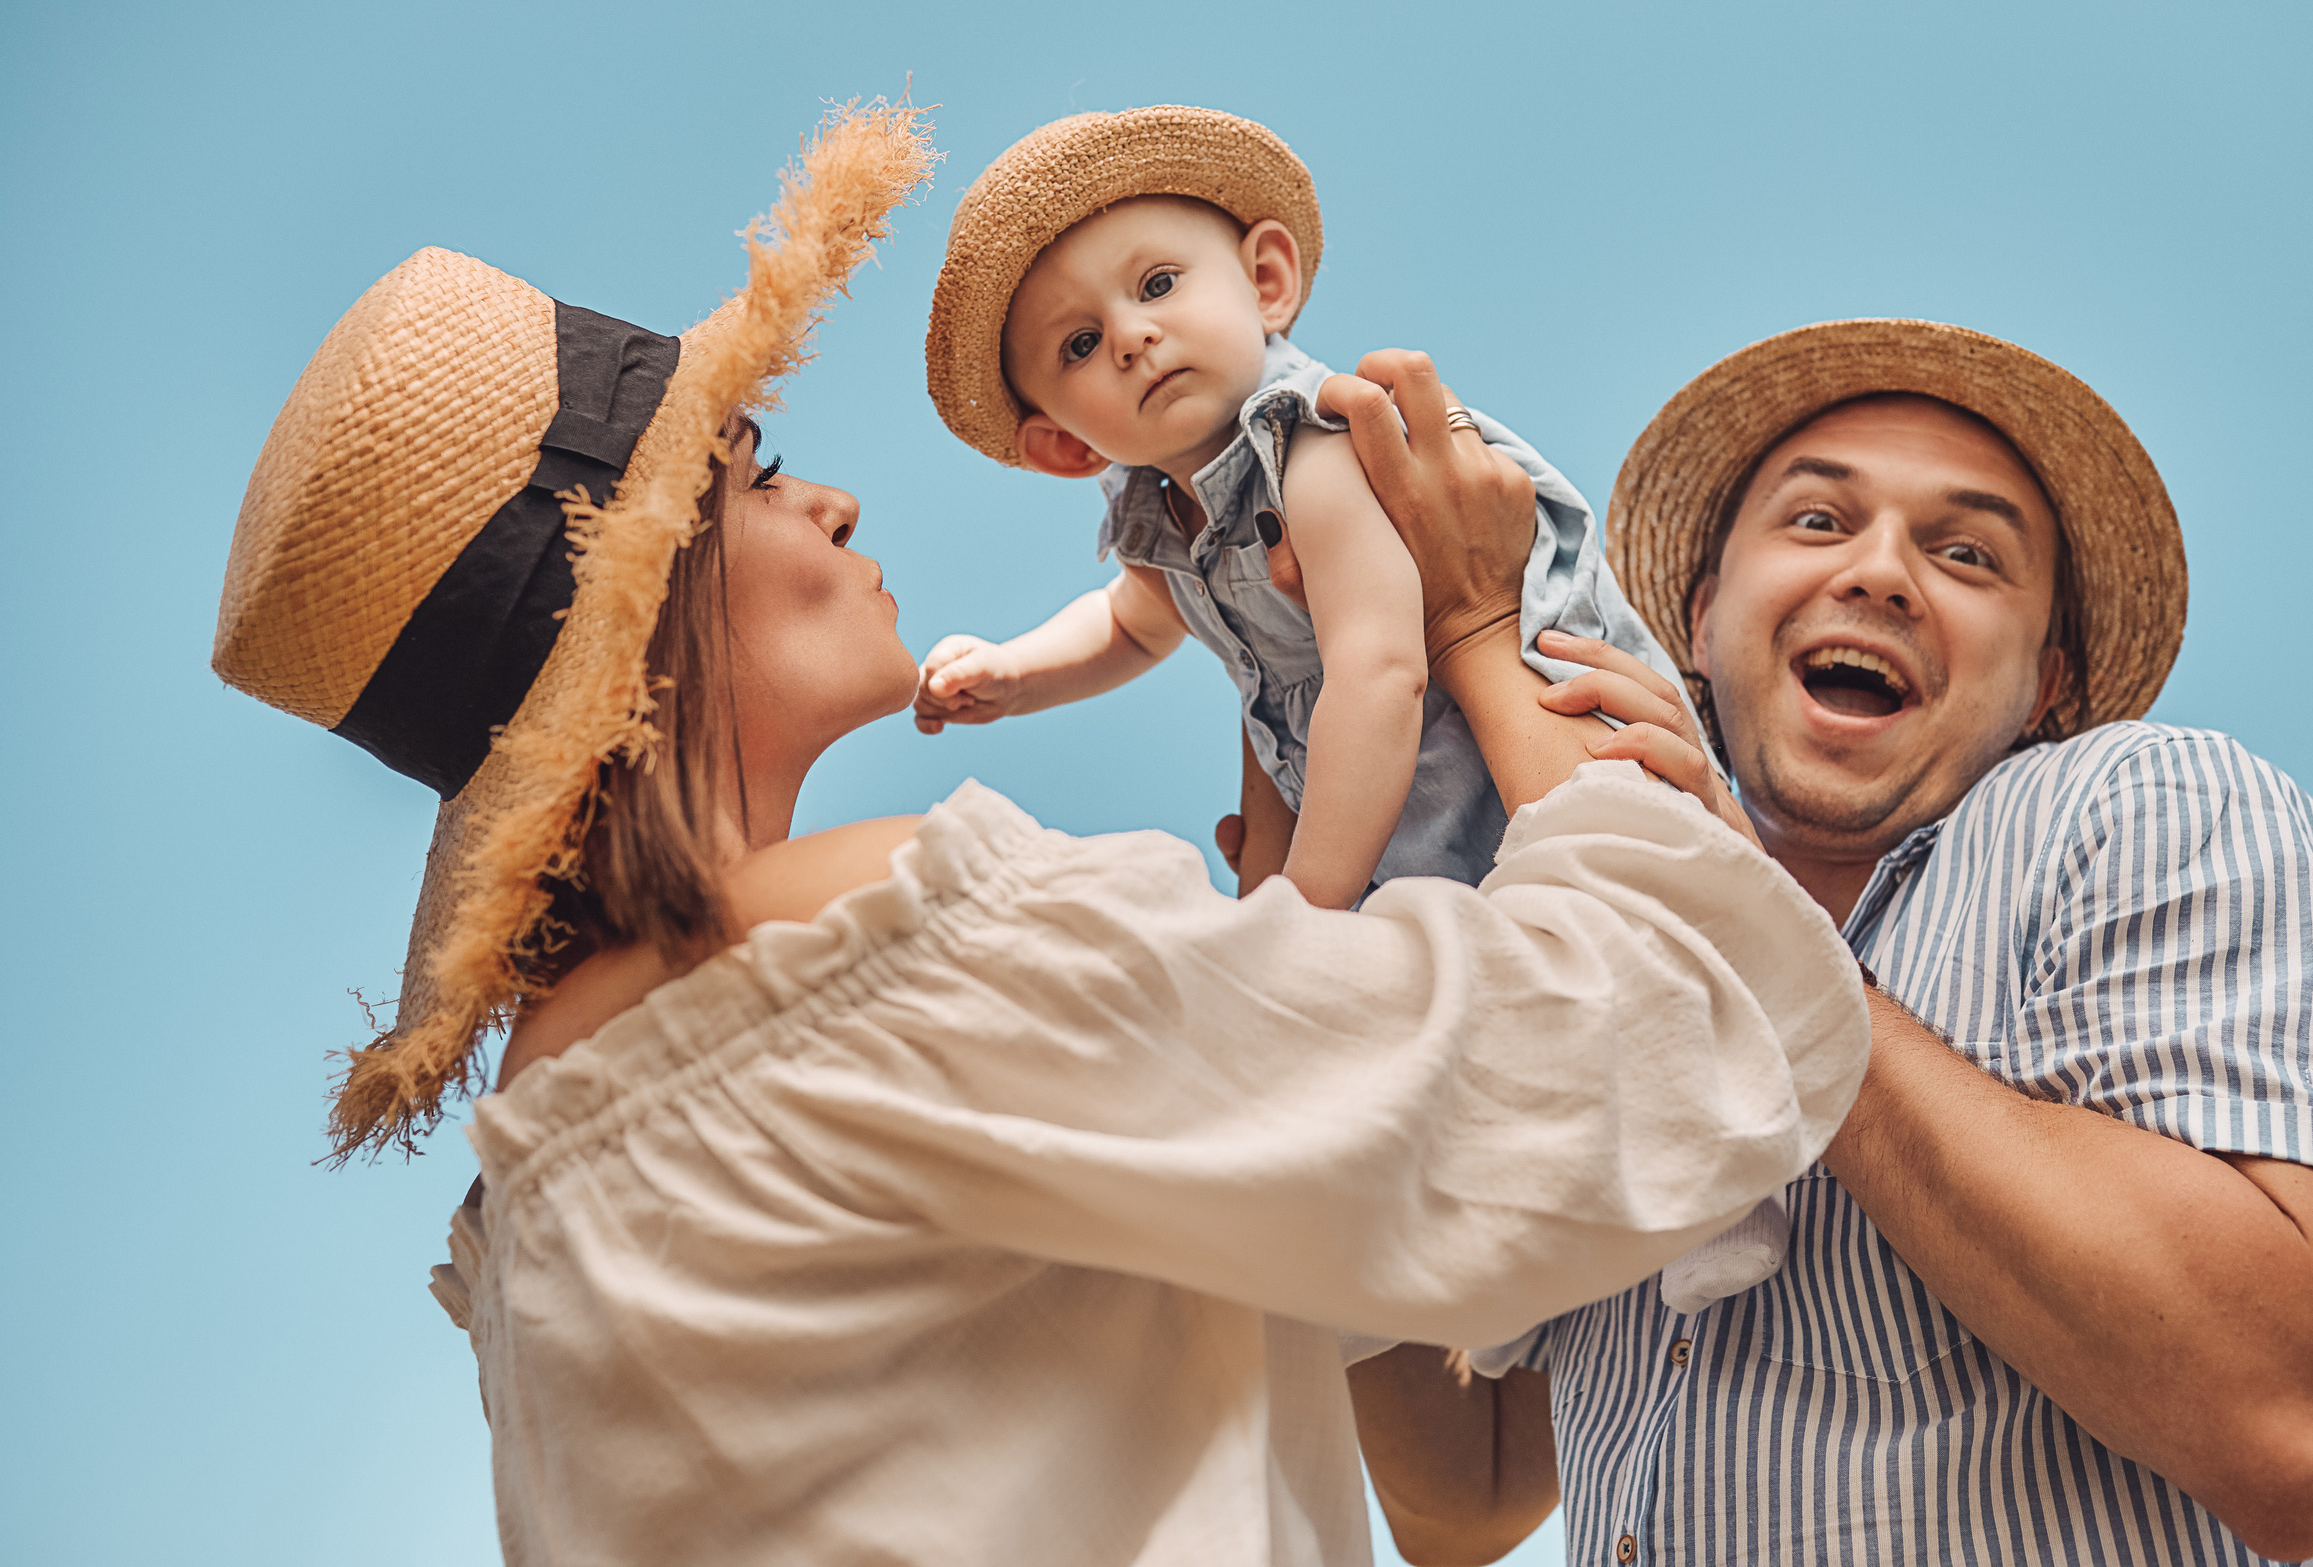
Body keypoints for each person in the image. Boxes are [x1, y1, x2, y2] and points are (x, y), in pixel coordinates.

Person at [206, 102, 1870, 1566]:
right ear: (632, 605)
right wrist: (1483, 640)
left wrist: (1284, 958)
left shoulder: (555, 1169)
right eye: (754, 468)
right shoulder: (886, 954)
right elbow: (1667, 1034)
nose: (829, 499)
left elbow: (1459, 1501)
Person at [1347, 320, 2313, 1567]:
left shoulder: (2142, 804)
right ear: (1697, 625)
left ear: (2050, 684)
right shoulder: (1591, 958)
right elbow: (1465, 1500)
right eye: (1814, 522)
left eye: (1966, 553)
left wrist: (1730, 912)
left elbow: (2302, 1429)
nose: (1880, 573)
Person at [912, 106, 1787, 1302]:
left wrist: (1303, 908)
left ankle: (1727, 1178)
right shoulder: (1164, 524)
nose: (1130, 337)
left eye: (1158, 283)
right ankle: (1514, 1252)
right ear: (1063, 445)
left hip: (1527, 737)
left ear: (1266, 279)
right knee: (1477, 1002)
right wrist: (1016, 674)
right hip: (1401, 807)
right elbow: (1127, 625)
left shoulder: (1315, 443)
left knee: (1616, 945)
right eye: (1076, 347)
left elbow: (1384, 668)